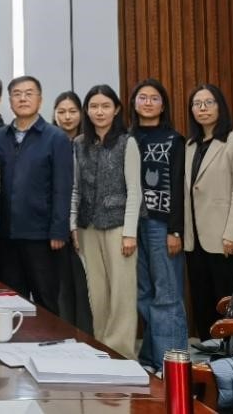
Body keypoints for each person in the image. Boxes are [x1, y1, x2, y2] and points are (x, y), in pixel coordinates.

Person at [69, 84, 141, 359]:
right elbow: (75, 188)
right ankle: (101, 347)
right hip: (87, 226)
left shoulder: (127, 142)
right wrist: (73, 225)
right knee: (96, 292)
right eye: (94, 106)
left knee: (121, 292)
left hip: (119, 226)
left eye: (105, 106)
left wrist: (130, 232)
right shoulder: (79, 144)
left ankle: (121, 352)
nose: (99, 112)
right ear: (87, 111)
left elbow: (134, 190)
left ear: (116, 110)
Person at [0, 75, 72, 313]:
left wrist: (59, 230)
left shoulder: (55, 137)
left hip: (42, 236)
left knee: (46, 301)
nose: (23, 99)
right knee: (10, 302)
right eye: (17, 94)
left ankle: (51, 339)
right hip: (6, 236)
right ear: (9, 101)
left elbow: (62, 187)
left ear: (40, 99)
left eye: (29, 93)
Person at [184, 83, 233, 339]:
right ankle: (209, 355)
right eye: (197, 104)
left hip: (227, 241)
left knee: (229, 307)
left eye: (209, 102)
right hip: (196, 241)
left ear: (220, 107)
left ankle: (232, 358)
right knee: (203, 304)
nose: (202, 108)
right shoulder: (190, 146)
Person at [128, 78, 188, 373]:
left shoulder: (174, 139)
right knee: (143, 294)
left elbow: (178, 186)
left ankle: (172, 363)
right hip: (132, 224)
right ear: (134, 103)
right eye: (143, 97)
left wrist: (175, 230)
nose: (148, 102)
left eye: (154, 98)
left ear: (163, 105)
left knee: (167, 294)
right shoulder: (127, 138)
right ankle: (151, 359)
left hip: (161, 223)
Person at [52, 89, 92, 333]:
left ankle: (87, 335)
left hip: (85, 224)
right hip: (56, 225)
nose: (67, 117)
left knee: (85, 285)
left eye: (72, 111)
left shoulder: (90, 143)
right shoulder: (50, 141)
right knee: (61, 286)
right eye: (62, 112)